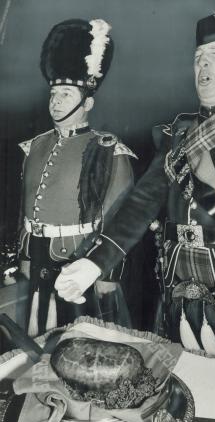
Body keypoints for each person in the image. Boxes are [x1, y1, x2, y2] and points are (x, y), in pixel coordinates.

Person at [55, 7, 215, 375]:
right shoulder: (179, 135)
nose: (203, 65)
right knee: (177, 378)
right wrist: (94, 261)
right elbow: (141, 202)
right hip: (174, 273)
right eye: (198, 58)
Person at [18, 18, 137, 337]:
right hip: (39, 260)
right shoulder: (36, 146)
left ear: (88, 103)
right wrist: (26, 254)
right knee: (38, 342)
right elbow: (27, 208)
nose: (56, 101)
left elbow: (121, 217)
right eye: (54, 93)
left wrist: (108, 274)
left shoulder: (108, 150)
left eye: (66, 94)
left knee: (84, 349)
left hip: (81, 260)